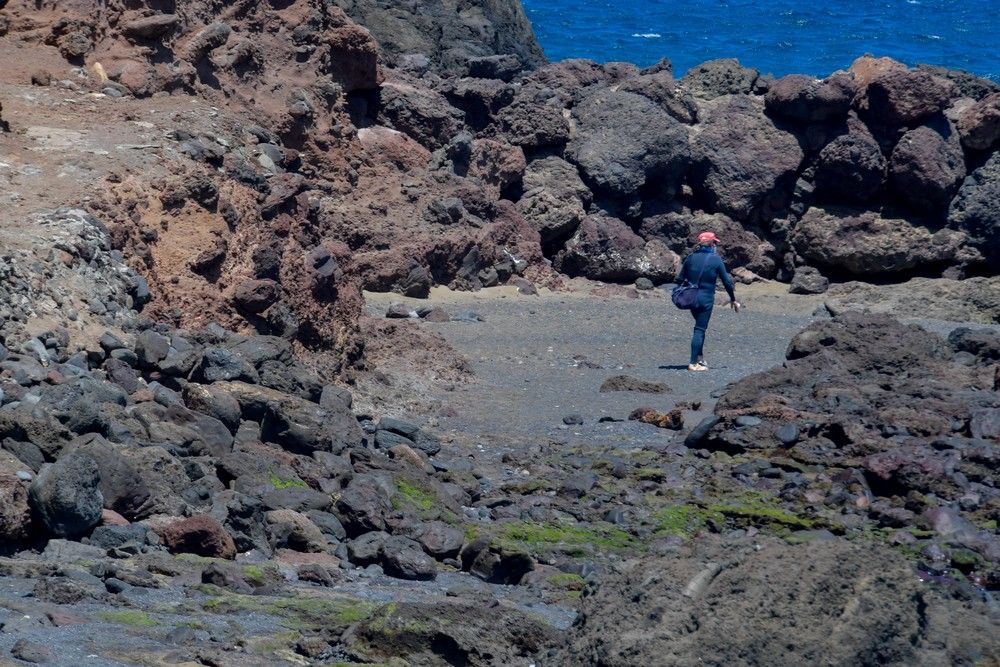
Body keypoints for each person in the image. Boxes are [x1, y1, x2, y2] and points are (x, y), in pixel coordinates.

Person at [676, 231, 740, 372]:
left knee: (700, 327)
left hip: (691, 298)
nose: (716, 245)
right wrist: (733, 299)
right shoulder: (716, 260)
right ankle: (693, 363)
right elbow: (727, 282)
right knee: (699, 329)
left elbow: (680, 279)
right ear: (711, 244)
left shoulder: (691, 258)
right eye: (715, 243)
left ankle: (699, 358)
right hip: (705, 299)